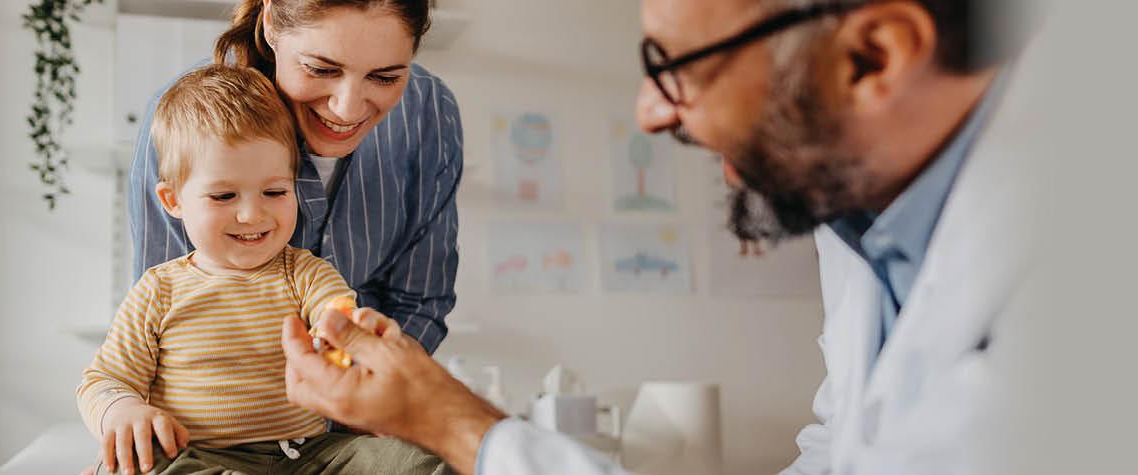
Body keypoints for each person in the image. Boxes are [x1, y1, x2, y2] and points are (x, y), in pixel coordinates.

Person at [281, 0, 1040, 473]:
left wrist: (455, 421)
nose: (649, 112)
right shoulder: (861, 225)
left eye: (675, 65)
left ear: (873, 56)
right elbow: (838, 449)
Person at [79, 65, 450, 475]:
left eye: (275, 192)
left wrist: (345, 340)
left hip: (311, 456)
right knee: (133, 466)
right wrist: (122, 410)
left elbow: (337, 313)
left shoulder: (305, 273)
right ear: (173, 201)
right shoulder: (158, 290)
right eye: (223, 195)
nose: (252, 214)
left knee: (418, 461)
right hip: (200, 455)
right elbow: (104, 379)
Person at [128, 0, 462, 356]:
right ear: (270, 23)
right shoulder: (185, 124)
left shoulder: (428, 111)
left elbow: (419, 303)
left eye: (384, 77)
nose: (347, 109)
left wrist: (361, 391)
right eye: (320, 69)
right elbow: (166, 320)